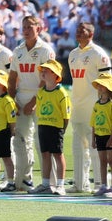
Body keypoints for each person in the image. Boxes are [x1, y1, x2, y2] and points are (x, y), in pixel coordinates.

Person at [9, 14, 55, 192]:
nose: (26, 30)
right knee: (20, 140)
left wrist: (34, 102)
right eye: (24, 27)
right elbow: (12, 78)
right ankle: (24, 179)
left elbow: (47, 79)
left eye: (30, 27)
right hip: (21, 98)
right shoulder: (18, 50)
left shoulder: (45, 50)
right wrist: (13, 101)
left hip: (41, 98)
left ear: (39, 29)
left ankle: (50, 182)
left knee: (42, 141)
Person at [65, 22, 111, 193]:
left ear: (91, 34)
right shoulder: (73, 54)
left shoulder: (98, 53)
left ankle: (100, 184)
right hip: (77, 106)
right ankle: (79, 184)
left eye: (82, 31)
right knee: (78, 147)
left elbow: (108, 80)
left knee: (95, 147)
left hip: (94, 106)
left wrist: (103, 105)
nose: (78, 33)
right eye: (77, 30)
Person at [33, 59, 70, 196]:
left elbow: (66, 115)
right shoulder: (41, 91)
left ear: (55, 74)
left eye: (46, 70)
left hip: (56, 127)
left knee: (58, 155)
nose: (43, 72)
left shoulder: (61, 92)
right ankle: (45, 184)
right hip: (43, 125)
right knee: (45, 155)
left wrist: (62, 129)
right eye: (42, 70)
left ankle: (60, 185)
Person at [89, 74, 112, 196]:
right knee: (102, 161)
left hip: (109, 136)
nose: (100, 88)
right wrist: (93, 139)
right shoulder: (97, 104)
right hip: (99, 135)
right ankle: (103, 186)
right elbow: (93, 123)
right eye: (99, 85)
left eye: (102, 85)